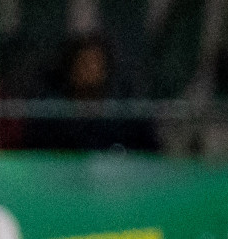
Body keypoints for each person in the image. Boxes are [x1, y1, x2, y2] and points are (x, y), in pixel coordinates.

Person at [22, 33, 157, 152]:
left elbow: (150, 153)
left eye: (96, 64)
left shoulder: (125, 113)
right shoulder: (51, 113)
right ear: (71, 68)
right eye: (84, 63)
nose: (90, 71)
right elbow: (35, 153)